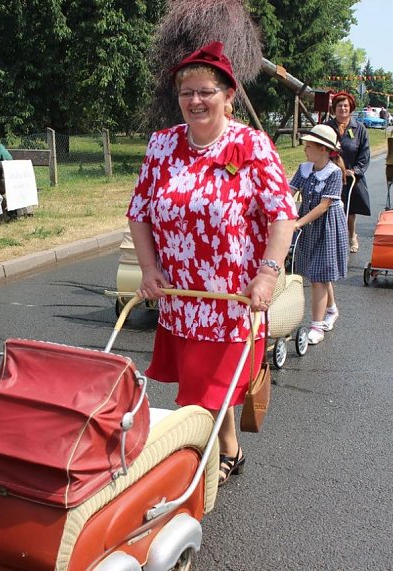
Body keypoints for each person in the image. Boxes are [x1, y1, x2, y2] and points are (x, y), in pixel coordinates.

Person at [127, 42, 296, 487]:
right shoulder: (162, 145)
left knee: (202, 398)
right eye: (187, 92)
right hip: (182, 300)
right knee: (204, 391)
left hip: (234, 301)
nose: (195, 101)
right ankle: (232, 451)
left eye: (206, 92)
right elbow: (139, 212)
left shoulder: (251, 145)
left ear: (228, 95)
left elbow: (282, 213)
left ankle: (191, 473)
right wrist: (148, 269)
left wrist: (267, 273)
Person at [290, 124, 349, 345]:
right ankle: (332, 309)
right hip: (309, 223)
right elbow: (290, 193)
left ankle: (317, 325)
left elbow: (324, 206)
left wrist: (298, 223)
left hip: (326, 225)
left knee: (317, 276)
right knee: (319, 272)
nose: (305, 150)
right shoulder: (304, 168)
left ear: (323, 149)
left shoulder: (333, 173)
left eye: (309, 146)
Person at [325, 91, 370, 253]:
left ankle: (351, 236)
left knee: (350, 211)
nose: (343, 108)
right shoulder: (327, 127)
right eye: (339, 106)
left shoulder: (359, 129)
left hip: (351, 177)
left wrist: (356, 171)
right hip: (330, 175)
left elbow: (364, 154)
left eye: (346, 105)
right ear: (334, 108)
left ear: (350, 108)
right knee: (329, 207)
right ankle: (332, 238)